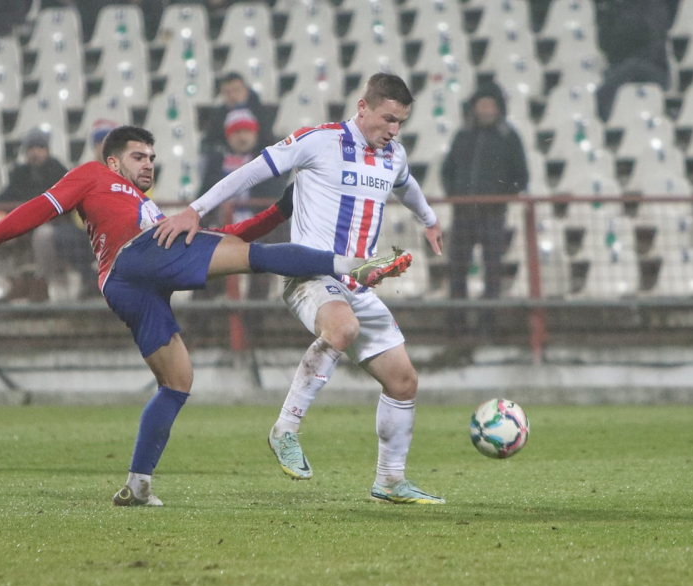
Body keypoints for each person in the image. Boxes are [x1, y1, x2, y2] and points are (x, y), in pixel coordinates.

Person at [0, 125, 411, 506]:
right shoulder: (93, 175)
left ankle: (138, 483)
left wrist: (277, 210)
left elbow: (222, 238)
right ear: (113, 162)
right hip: (136, 259)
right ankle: (353, 265)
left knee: (178, 382)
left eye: (151, 156)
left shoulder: (150, 210)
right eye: (137, 156)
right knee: (258, 257)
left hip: (128, 285)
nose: (147, 163)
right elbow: (41, 207)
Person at [154, 73, 446, 505]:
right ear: (363, 107)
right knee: (341, 328)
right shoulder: (318, 141)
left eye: (400, 122)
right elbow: (251, 173)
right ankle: (284, 429)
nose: (393, 130)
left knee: (403, 382)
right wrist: (195, 210)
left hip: (356, 282)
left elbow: (407, 185)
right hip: (310, 276)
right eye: (387, 119)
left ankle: (389, 480)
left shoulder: (394, 156)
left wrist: (429, 220)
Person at [441, 81, 528, 338]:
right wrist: (455, 195)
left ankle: (487, 326)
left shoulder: (509, 137)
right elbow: (448, 170)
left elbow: (520, 176)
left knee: (492, 270)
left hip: (493, 215)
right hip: (463, 214)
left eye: (491, 105)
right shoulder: (463, 136)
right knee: (457, 268)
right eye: (482, 105)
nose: (486, 110)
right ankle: (456, 325)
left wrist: (500, 198)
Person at [196, 108, 288, 314]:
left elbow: (274, 198)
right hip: (221, 230)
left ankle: (253, 326)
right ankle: (200, 327)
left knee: (261, 275)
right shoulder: (215, 163)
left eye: (247, 131)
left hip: (260, 231)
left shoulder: (268, 161)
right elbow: (203, 198)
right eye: (237, 132)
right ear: (228, 135)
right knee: (204, 273)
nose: (242, 136)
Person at [0, 127, 69, 302]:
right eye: (31, 148)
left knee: (43, 235)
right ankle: (19, 284)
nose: (35, 153)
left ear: (46, 150)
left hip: (52, 225)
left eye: (40, 148)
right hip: (23, 226)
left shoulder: (58, 171)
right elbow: (3, 198)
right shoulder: (20, 173)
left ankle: (41, 284)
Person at [202, 71, 275, 154]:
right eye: (227, 92)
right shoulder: (218, 115)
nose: (232, 96)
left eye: (236, 90)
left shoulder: (261, 113)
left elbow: (269, 140)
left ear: (245, 90)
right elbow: (209, 141)